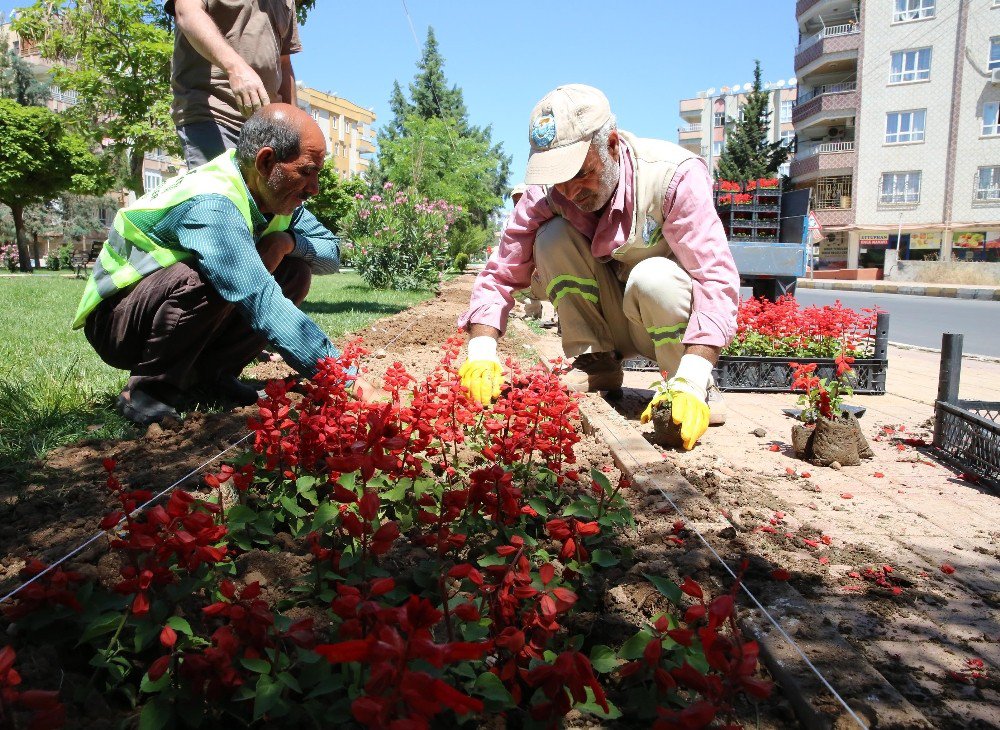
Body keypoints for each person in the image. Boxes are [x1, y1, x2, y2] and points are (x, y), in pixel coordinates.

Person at [457, 84, 740, 451]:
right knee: (551, 237)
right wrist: (481, 352)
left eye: (581, 173)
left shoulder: (672, 175)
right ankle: (597, 360)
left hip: (662, 321)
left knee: (654, 278)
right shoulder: (548, 192)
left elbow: (715, 278)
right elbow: (500, 273)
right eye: (558, 177)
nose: (569, 191)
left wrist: (696, 372)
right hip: (613, 319)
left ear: (611, 145)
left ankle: (686, 386)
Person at [73, 104, 372, 426]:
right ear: (266, 162)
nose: (314, 188)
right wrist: (345, 379)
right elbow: (261, 300)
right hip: (119, 324)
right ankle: (148, 389)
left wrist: (286, 242)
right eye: (307, 171)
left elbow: (331, 253)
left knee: (294, 272)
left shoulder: (275, 197)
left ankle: (213, 376)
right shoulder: (212, 202)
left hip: (162, 312)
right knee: (209, 278)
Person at [167, 0, 301, 168]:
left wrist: (296, 127)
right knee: (221, 184)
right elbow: (187, 13)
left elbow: (284, 63)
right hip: (214, 114)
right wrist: (235, 68)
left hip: (267, 128)